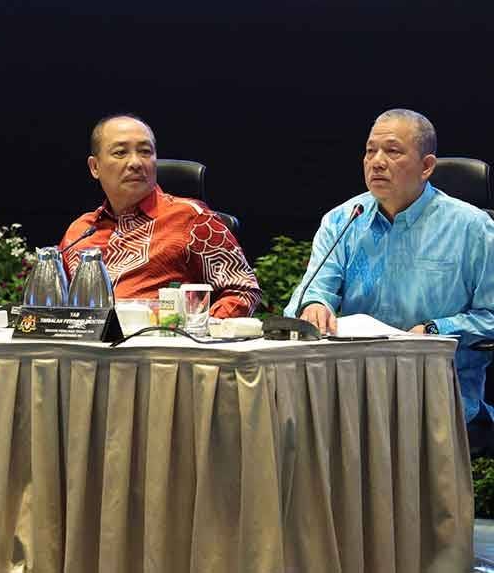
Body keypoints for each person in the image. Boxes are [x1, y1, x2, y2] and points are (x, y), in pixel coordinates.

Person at [285, 108, 494, 428]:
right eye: (370, 151)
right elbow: (314, 288)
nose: (377, 161)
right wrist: (314, 304)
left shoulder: (473, 228)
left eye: (393, 151)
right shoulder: (343, 219)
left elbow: (490, 315)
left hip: (438, 391)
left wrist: (437, 329)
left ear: (427, 167)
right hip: (353, 386)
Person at [58, 114, 261, 318]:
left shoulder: (192, 218)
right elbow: (54, 308)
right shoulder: (80, 231)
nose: (135, 162)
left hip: (163, 346)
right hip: (85, 347)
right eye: (120, 153)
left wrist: (201, 330)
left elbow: (243, 290)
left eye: (145, 152)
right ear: (95, 167)